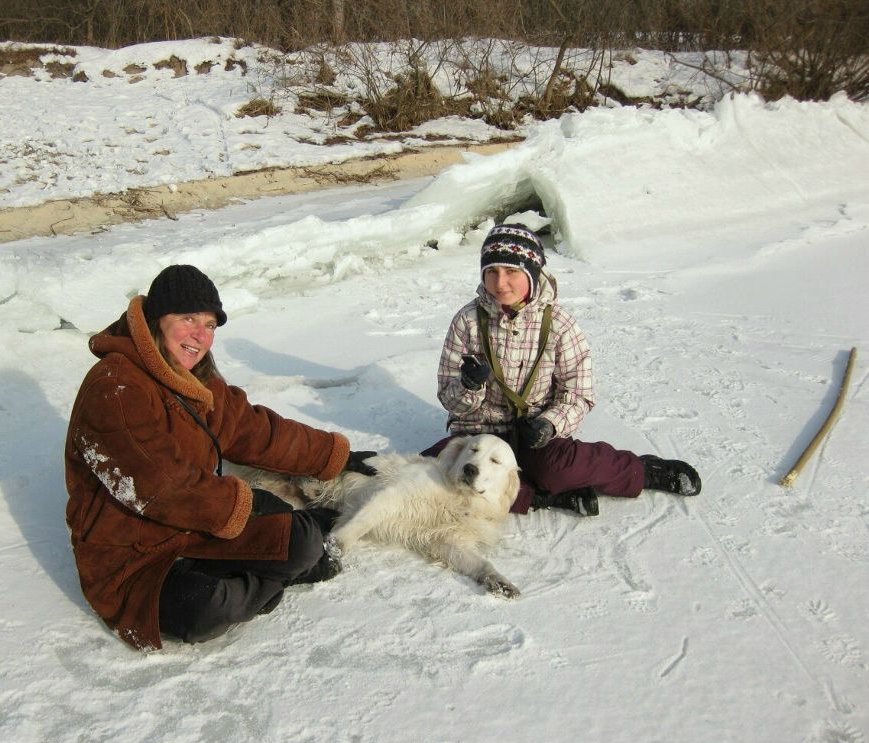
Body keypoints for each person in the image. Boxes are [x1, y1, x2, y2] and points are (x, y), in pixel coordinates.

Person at [65, 264, 376, 650]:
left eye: (210, 325)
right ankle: (258, 585)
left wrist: (334, 455)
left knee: (303, 542)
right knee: (204, 610)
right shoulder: (115, 386)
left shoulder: (195, 381)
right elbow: (160, 486)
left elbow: (256, 432)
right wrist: (245, 504)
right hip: (133, 559)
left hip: (196, 530)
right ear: (157, 319)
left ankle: (252, 573)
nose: (200, 335)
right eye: (189, 318)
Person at [423, 223, 701, 517]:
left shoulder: (560, 324)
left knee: (560, 468)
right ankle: (549, 498)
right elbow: (448, 396)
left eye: (511, 272)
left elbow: (579, 393)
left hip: (536, 433)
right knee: (435, 469)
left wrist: (550, 425)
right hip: (480, 433)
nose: (500, 282)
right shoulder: (467, 321)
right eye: (492, 272)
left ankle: (642, 471)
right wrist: (469, 386)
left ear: (532, 272)